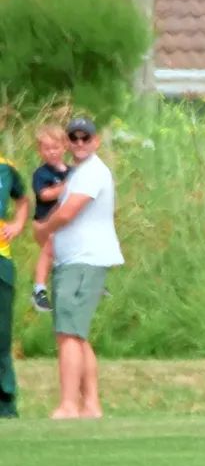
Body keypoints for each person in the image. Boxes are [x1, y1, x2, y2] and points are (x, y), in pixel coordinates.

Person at [33, 118, 123, 420]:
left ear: (96, 141)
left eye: (86, 138)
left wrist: (44, 228)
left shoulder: (93, 172)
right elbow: (62, 207)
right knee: (76, 334)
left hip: (83, 261)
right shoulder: (78, 173)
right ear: (69, 142)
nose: (80, 143)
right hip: (75, 260)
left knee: (68, 333)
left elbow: (68, 212)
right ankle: (90, 406)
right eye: (75, 138)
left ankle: (69, 405)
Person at [29, 125, 72, 313]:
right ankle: (39, 291)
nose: (52, 152)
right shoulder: (41, 174)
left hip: (66, 223)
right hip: (45, 222)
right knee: (50, 248)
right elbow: (45, 195)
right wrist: (67, 186)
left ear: (65, 147)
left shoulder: (72, 171)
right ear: (40, 151)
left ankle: (88, 285)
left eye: (56, 147)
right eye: (46, 148)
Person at [0, 154, 30, 418]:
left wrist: (18, 224)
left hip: (1, 259)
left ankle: (5, 405)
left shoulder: (6, 168)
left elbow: (23, 199)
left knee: (1, 334)